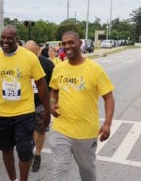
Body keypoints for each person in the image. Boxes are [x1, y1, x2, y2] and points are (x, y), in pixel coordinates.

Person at [0, 25, 51, 181]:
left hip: (24, 113)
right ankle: (13, 179)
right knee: (6, 149)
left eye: (9, 38)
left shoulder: (29, 57)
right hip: (1, 114)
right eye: (2, 37)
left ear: (17, 39)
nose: (5, 41)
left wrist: (47, 109)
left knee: (25, 151)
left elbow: (41, 85)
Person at [49, 31, 115, 181]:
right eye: (64, 43)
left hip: (85, 132)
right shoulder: (59, 68)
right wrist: (52, 103)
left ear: (80, 44)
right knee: (59, 171)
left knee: (87, 173)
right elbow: (54, 91)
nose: (67, 46)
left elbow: (109, 97)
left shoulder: (94, 69)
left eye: (71, 42)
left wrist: (107, 124)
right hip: (61, 128)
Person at [24, 40, 54, 172]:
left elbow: (54, 86)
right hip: (24, 102)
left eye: (30, 52)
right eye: (25, 52)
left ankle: (37, 155)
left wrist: (51, 103)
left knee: (40, 129)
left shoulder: (47, 64)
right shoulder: (20, 63)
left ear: (37, 51)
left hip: (41, 103)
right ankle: (29, 152)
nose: (27, 55)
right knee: (27, 130)